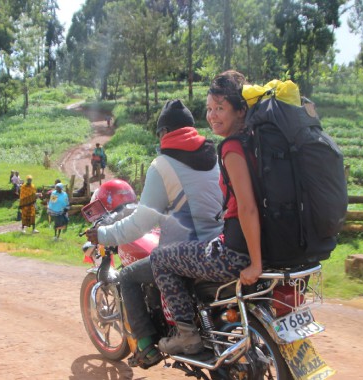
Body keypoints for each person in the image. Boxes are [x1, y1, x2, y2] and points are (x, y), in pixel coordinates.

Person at [85, 99, 222, 368]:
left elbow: (140, 224)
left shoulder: (163, 164)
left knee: (127, 276)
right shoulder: (214, 157)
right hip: (219, 247)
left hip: (187, 254)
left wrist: (103, 235)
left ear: (163, 133)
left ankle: (146, 347)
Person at [149, 71, 261, 355]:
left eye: (220, 108)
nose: (212, 115)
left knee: (160, 259)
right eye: (209, 109)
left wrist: (256, 264)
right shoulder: (254, 142)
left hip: (235, 253)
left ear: (240, 110)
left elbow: (246, 207)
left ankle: (187, 335)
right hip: (245, 242)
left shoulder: (231, 147)